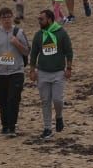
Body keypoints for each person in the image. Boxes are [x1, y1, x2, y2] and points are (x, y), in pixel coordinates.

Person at [0, 8, 29, 136]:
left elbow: (27, 51)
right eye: (4, 17)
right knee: (2, 100)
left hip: (16, 71)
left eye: (9, 17)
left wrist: (17, 44)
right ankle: (5, 125)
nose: (7, 20)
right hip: (0, 73)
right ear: (0, 19)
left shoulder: (19, 32)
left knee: (13, 99)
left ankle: (12, 127)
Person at [28, 9, 72, 140]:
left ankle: (59, 116)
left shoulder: (61, 33)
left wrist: (69, 68)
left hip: (58, 72)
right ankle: (47, 128)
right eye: (38, 19)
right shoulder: (38, 35)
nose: (39, 21)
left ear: (50, 19)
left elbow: (68, 51)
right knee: (45, 101)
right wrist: (32, 70)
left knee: (58, 100)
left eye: (41, 19)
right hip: (42, 73)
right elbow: (34, 53)